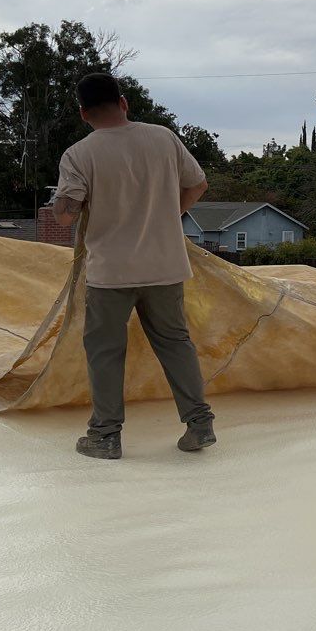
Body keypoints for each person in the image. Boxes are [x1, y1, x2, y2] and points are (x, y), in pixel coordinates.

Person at [51, 73, 214, 460]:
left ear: (83, 113)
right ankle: (200, 424)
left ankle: (105, 437)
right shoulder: (163, 138)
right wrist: (165, 215)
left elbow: (64, 217)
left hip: (111, 273)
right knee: (175, 344)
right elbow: (198, 184)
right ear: (123, 103)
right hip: (166, 266)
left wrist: (67, 201)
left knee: (105, 351)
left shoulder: (79, 154)